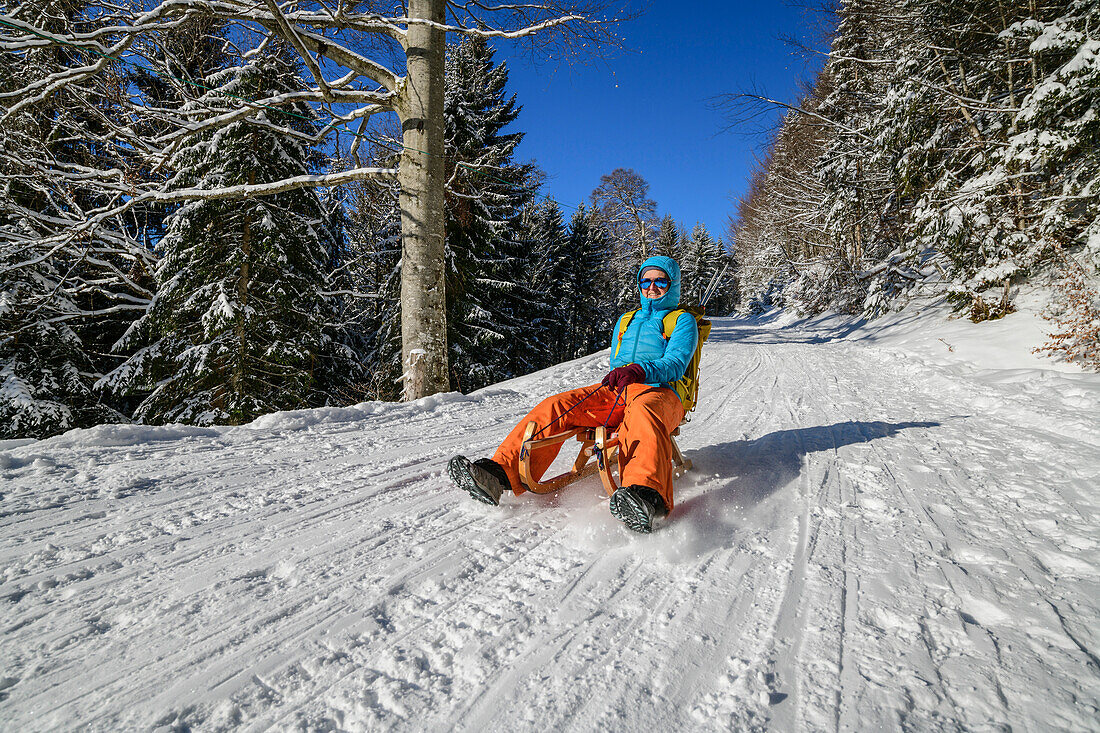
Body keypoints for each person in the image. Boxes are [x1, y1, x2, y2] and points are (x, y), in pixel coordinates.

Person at [449, 255, 698, 533]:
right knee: (558, 405)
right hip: (619, 390)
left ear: (672, 284)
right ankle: (499, 474)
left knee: (642, 413)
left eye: (660, 281)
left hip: (662, 394)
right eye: (645, 280)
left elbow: (676, 363)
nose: (651, 287)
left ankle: (647, 497)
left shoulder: (682, 320)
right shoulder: (627, 320)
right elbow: (616, 361)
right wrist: (623, 376)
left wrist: (640, 371)